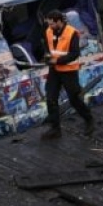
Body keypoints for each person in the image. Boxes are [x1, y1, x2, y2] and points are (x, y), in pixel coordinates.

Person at [40, 9, 94, 140]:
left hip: (69, 70)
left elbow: (75, 54)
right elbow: (48, 48)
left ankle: (89, 120)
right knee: (51, 97)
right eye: (49, 24)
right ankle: (55, 128)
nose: (50, 27)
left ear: (59, 21)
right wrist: (47, 56)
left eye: (52, 24)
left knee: (74, 99)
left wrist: (58, 60)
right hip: (55, 70)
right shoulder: (49, 31)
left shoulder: (71, 33)